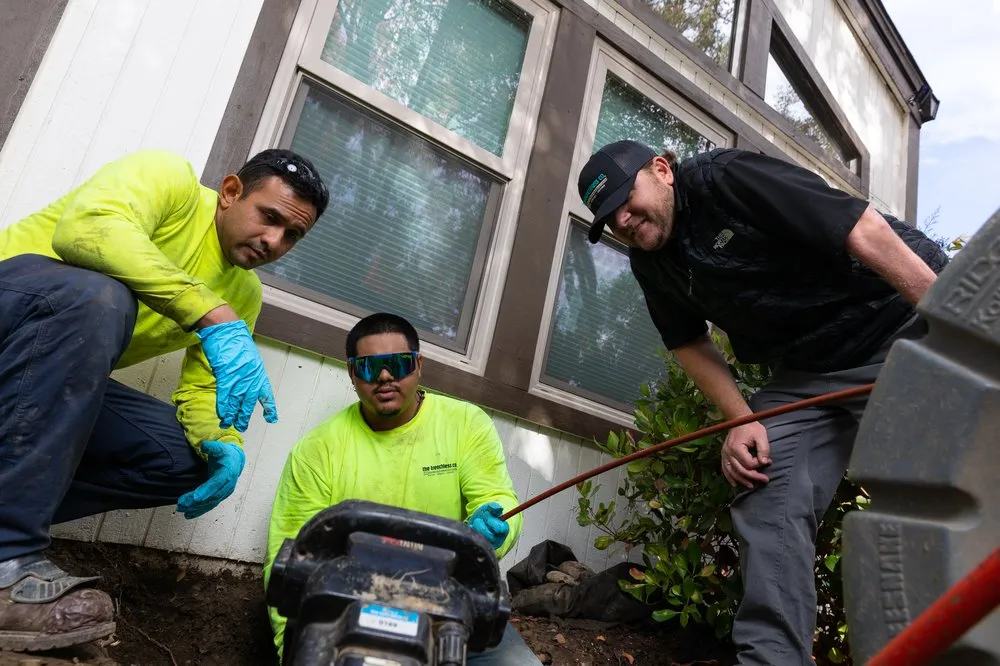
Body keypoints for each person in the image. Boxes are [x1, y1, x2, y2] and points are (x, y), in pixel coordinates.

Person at [576, 140, 948, 665]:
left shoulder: (729, 178)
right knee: (765, 485)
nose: (624, 218)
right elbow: (687, 341)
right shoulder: (650, 260)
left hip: (895, 326)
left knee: (942, 486)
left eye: (626, 197)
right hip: (809, 369)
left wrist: (953, 326)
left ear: (662, 170)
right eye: (609, 216)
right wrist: (742, 418)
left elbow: (861, 228)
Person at [0, 148, 329, 652]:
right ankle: (7, 560)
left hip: (39, 386)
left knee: (183, 459)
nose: (274, 241)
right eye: (271, 218)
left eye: (292, 236)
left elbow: (200, 390)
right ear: (232, 191)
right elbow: (87, 228)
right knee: (98, 296)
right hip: (13, 324)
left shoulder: (244, 294)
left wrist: (223, 442)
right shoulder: (169, 180)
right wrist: (208, 312)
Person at [265, 312, 537, 665]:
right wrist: (296, 649)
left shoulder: (465, 424)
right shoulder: (317, 451)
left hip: (447, 601)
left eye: (398, 364)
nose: (384, 377)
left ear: (419, 365)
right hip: (350, 598)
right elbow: (290, 555)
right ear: (351, 373)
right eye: (368, 367)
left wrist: (498, 527)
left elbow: (496, 498)